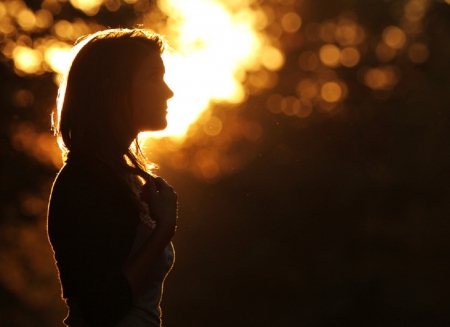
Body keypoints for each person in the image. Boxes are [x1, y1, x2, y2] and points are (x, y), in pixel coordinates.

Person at [47, 28, 177, 327]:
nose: (168, 91)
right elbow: (101, 306)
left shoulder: (117, 177)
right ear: (112, 90)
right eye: (153, 77)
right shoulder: (83, 181)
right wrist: (164, 230)